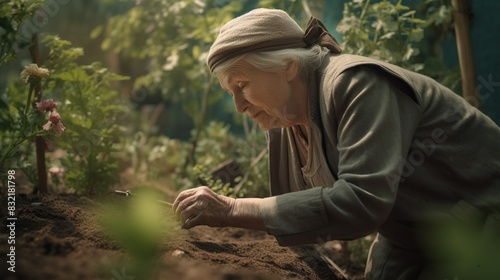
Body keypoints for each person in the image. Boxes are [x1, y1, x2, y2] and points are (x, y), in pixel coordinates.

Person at [173, 8, 500, 280]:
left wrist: (231, 209)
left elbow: (360, 202)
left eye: (242, 85)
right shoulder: (286, 120)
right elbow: (300, 210)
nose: (239, 107)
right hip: (411, 237)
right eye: (231, 94)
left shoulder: (358, 84)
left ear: (288, 67)